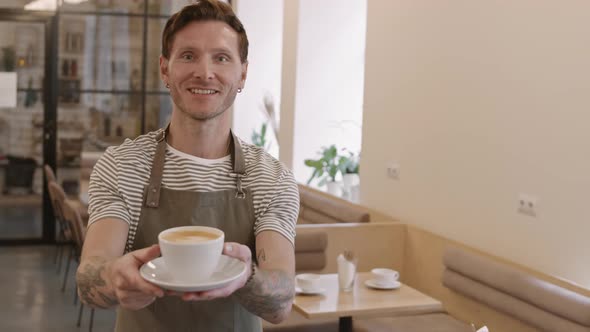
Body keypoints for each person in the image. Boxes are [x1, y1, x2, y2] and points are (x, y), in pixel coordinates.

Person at [75, 1, 299, 331]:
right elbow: (88, 280)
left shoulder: (270, 178)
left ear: (243, 73)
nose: (204, 72)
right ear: (165, 69)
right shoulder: (122, 166)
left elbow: (280, 305)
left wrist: (246, 277)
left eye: (221, 57)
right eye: (188, 55)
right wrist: (112, 278)